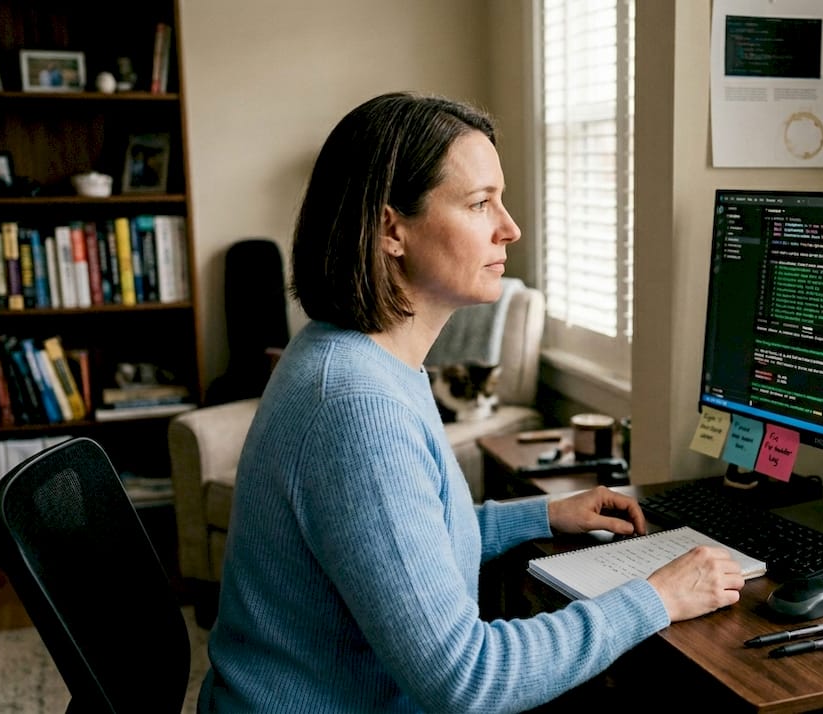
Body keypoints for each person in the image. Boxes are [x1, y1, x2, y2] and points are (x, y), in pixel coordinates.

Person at [197, 92, 745, 712]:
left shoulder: (358, 357)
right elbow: (467, 679)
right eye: (480, 203)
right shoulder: (356, 407)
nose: (509, 227)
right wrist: (656, 597)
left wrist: (541, 516)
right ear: (390, 230)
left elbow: (403, 543)